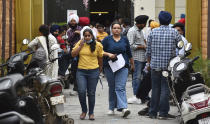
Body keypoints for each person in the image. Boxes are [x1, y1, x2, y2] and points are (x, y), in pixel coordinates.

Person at [146, 11, 182, 119]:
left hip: (155, 66)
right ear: (170, 20)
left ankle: (152, 113)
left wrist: (149, 63)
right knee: (165, 90)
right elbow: (180, 46)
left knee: (155, 89)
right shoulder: (174, 32)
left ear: (159, 20)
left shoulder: (153, 32)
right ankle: (163, 113)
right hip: (168, 67)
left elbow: (148, 51)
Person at [102, 21, 135, 118]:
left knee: (120, 87)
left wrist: (132, 64)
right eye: (114, 28)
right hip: (110, 67)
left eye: (118, 28)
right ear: (111, 30)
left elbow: (129, 52)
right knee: (112, 87)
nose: (116, 29)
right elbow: (100, 51)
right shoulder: (107, 39)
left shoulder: (125, 39)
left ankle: (124, 108)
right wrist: (109, 55)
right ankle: (111, 107)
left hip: (123, 66)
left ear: (121, 30)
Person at [71, 28, 103, 120]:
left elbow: (100, 58)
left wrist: (100, 68)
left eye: (89, 35)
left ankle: (91, 113)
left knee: (91, 93)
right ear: (83, 36)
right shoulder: (80, 43)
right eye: (85, 36)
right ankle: (84, 111)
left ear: (92, 36)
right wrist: (80, 46)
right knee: (81, 91)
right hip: (81, 71)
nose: (87, 37)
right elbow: (73, 54)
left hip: (93, 71)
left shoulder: (98, 45)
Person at [127, 15, 149, 104]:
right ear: (141, 23)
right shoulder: (132, 31)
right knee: (136, 78)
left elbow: (143, 41)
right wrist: (142, 47)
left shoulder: (141, 31)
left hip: (143, 58)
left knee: (144, 78)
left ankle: (143, 95)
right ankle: (136, 96)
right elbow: (130, 45)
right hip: (136, 59)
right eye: (144, 24)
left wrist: (146, 45)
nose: (145, 25)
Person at [67, 14, 82, 93]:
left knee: (81, 69)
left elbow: (84, 38)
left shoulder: (81, 29)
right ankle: (76, 87)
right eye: (71, 21)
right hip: (73, 52)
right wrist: (74, 33)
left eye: (74, 21)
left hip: (81, 52)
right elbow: (69, 40)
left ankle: (82, 87)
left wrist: (80, 33)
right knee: (74, 70)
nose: (73, 22)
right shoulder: (69, 31)